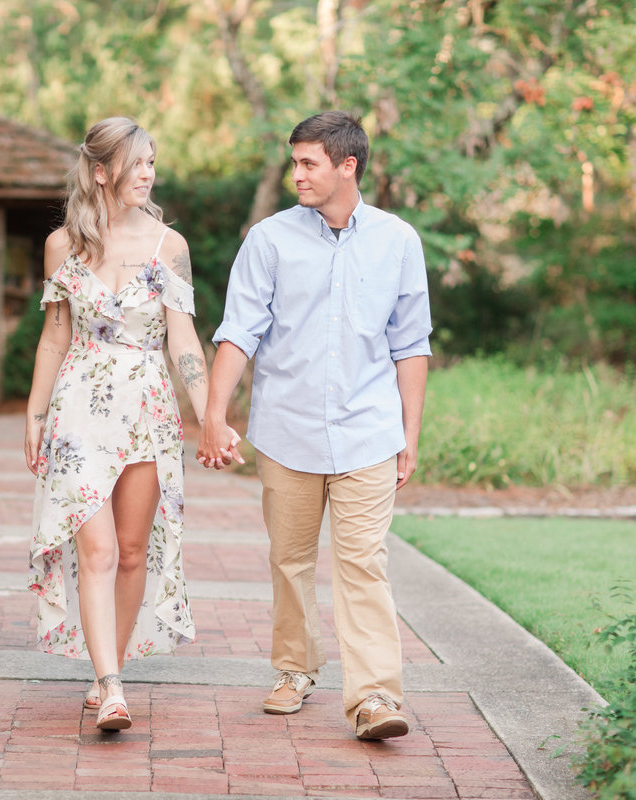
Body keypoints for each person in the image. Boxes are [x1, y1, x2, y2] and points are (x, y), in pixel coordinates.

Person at [197, 111, 432, 740]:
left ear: (347, 166)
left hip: (368, 432)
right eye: (294, 162)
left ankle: (375, 698)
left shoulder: (398, 241)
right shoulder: (268, 239)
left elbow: (411, 344)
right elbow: (238, 331)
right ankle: (295, 669)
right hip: (287, 430)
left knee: (363, 563)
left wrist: (412, 433)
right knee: (291, 561)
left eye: (309, 164)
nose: (296, 174)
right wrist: (215, 414)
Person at [24, 117, 224, 731]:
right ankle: (111, 686)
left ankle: (104, 672)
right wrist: (34, 414)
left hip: (147, 410)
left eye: (153, 163)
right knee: (99, 548)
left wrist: (210, 415)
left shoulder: (171, 247)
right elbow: (55, 337)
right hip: (79, 409)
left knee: (134, 551)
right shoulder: (65, 245)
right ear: (102, 170)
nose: (149, 175)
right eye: (138, 163)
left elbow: (184, 341)